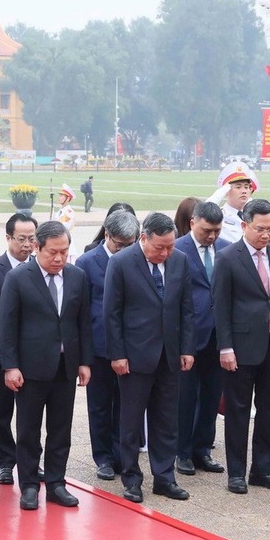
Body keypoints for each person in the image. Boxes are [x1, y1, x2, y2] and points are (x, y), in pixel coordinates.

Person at [1, 221, 92, 510]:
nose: (59, 259)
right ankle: (28, 484)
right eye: (53, 252)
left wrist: (84, 362)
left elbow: (83, 323)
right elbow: (8, 326)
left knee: (60, 429)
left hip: (65, 367)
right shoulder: (18, 278)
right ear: (37, 248)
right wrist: (10, 366)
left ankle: (56, 483)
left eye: (64, 252)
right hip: (30, 369)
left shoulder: (77, 277)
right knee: (28, 430)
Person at [105, 212, 194, 503]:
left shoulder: (179, 260)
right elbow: (112, 314)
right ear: (144, 238)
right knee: (130, 423)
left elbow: (186, 309)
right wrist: (117, 354)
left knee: (166, 421)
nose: (165, 253)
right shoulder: (120, 263)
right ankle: (131, 478)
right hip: (134, 357)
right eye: (159, 247)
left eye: (169, 246)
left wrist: (186, 349)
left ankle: (165, 478)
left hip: (169, 356)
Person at [215, 199, 270, 494]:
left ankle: (262, 470)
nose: (265, 235)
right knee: (237, 412)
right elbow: (221, 307)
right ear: (244, 225)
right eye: (260, 229)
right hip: (240, 348)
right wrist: (225, 347)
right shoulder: (227, 257)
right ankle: (236, 473)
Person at [76, 210, 139, 480]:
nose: (125, 250)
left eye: (130, 244)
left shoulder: (139, 259)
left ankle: (123, 455)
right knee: (101, 405)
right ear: (107, 235)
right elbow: (79, 311)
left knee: (127, 405)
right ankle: (102, 457)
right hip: (100, 347)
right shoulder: (87, 262)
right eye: (120, 245)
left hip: (132, 345)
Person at [0, 214, 38, 485]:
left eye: (32, 239)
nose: (27, 245)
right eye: (21, 239)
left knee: (31, 416)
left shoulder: (41, 267)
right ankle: (5, 462)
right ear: (9, 238)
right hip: (2, 354)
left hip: (34, 354)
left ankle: (30, 463)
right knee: (1, 413)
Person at [174, 201, 228, 476]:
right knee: (185, 397)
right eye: (207, 230)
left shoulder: (226, 248)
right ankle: (181, 452)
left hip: (218, 335)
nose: (212, 236)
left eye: (216, 231)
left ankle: (202, 450)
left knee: (210, 396)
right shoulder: (175, 249)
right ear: (193, 222)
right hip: (189, 336)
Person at [215, 161, 259, 243]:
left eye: (246, 187)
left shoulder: (254, 215)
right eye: (238, 187)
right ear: (226, 191)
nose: (244, 191)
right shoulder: (219, 216)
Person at [56, 184, 79, 263]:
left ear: (68, 198)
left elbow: (63, 227)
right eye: (60, 195)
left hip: (65, 241)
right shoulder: (59, 212)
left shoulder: (69, 212)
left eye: (62, 196)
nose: (59, 197)